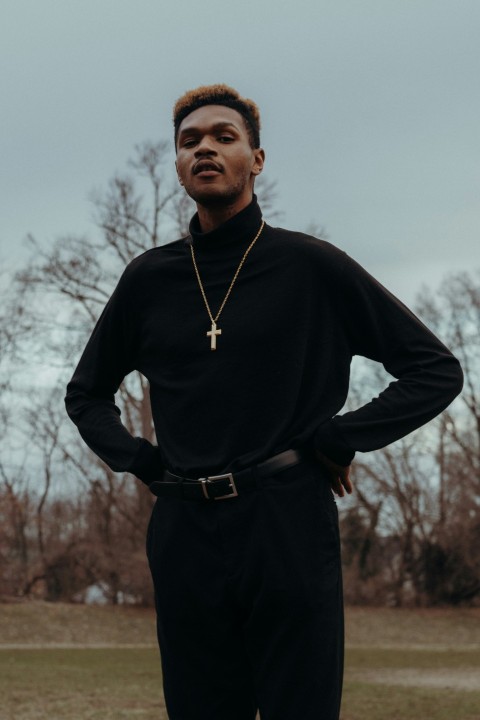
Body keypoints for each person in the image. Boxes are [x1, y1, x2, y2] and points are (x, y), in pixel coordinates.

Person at [65, 84, 463, 720]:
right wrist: (140, 461)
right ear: (176, 164)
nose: (206, 149)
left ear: (256, 158)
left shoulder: (311, 267)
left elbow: (435, 369)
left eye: (224, 137)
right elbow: (85, 394)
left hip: (288, 523)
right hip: (184, 533)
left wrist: (337, 438)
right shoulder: (148, 280)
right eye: (190, 141)